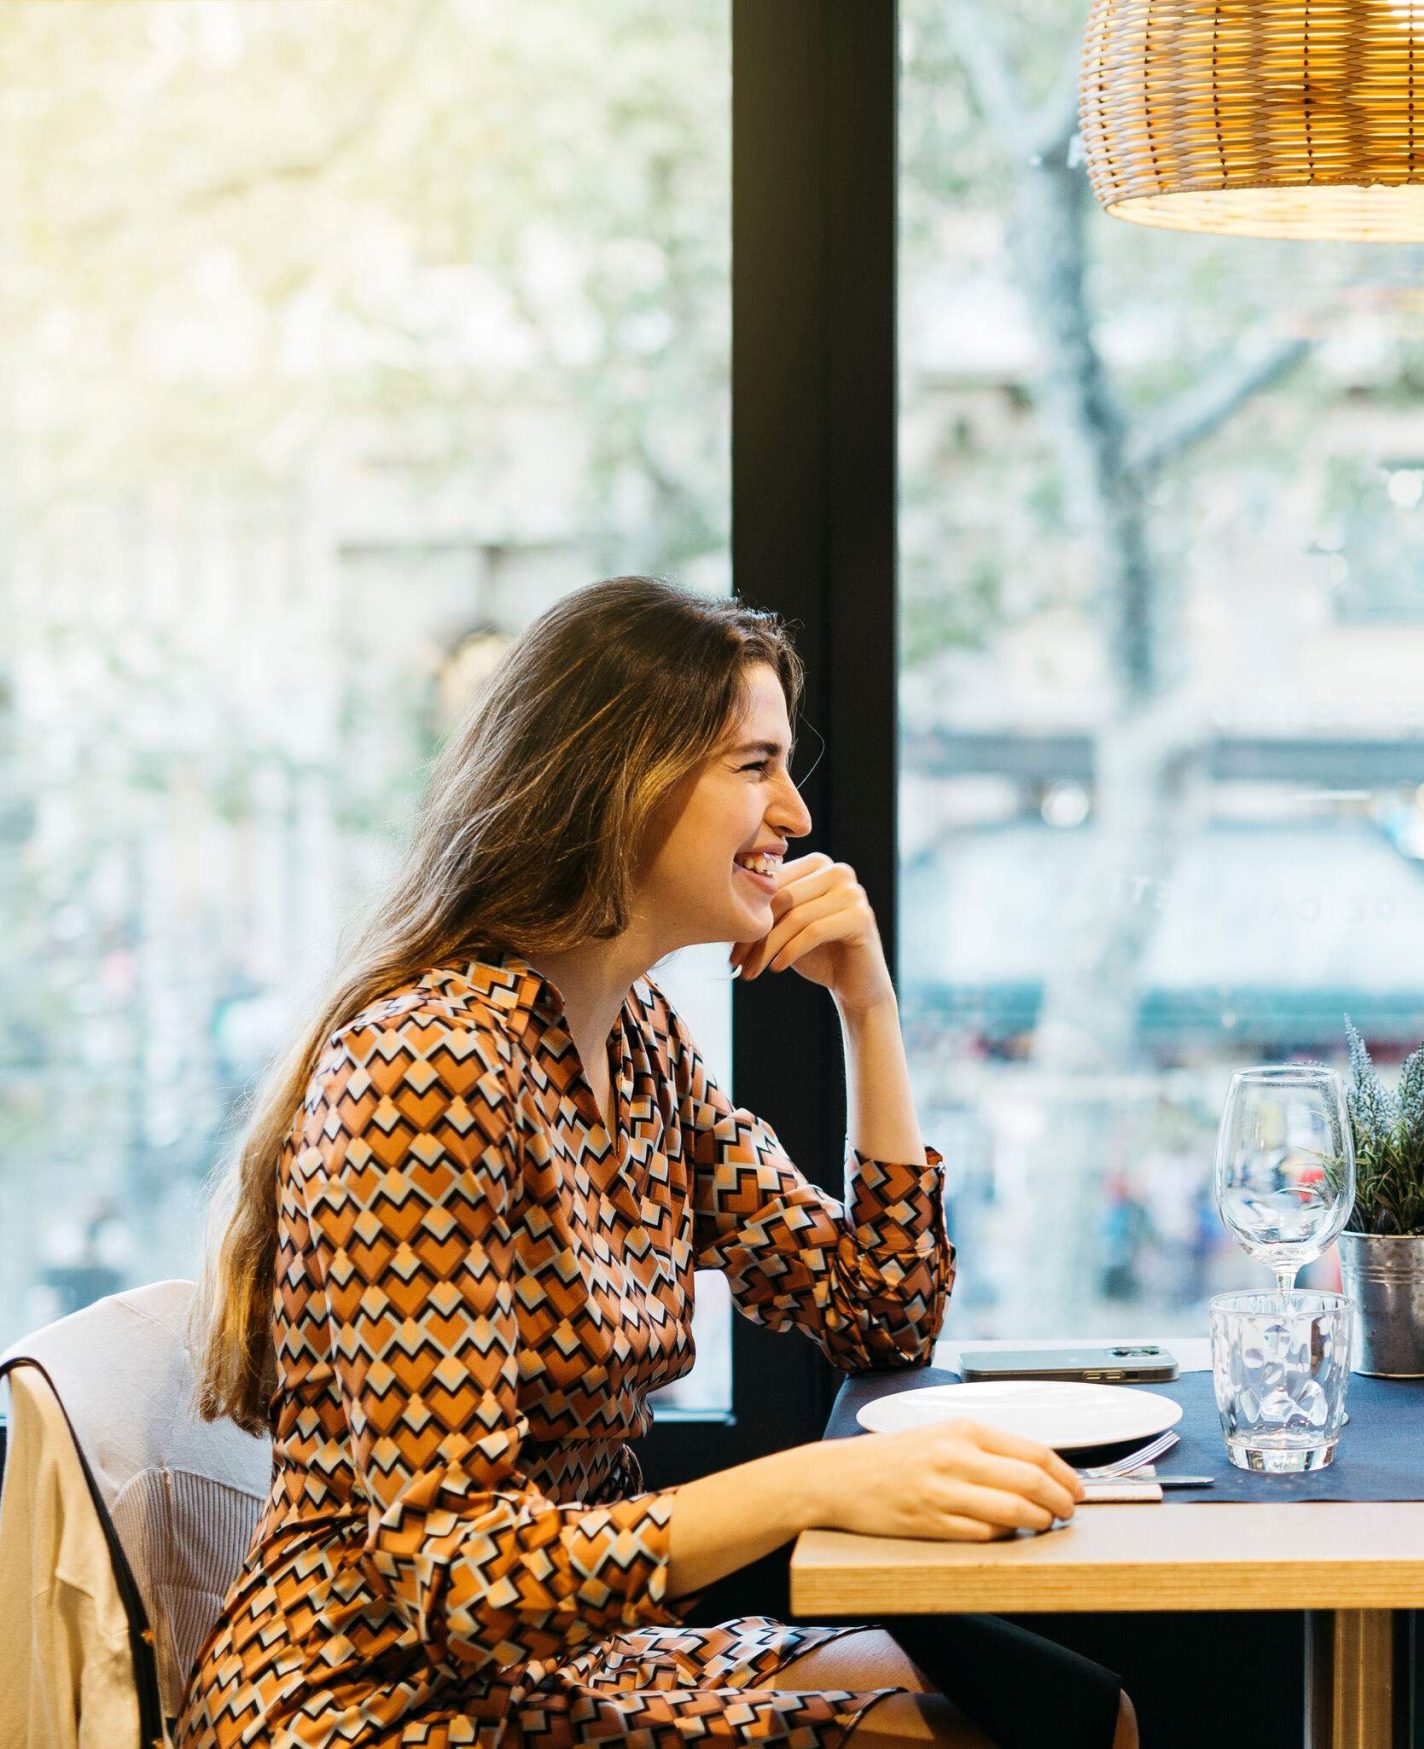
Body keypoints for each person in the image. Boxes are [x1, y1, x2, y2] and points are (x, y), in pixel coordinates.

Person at [180, 578, 1136, 1749]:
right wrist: (815, 1487)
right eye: (753, 765)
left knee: (1074, 1715)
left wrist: (869, 1009)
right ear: (619, 779)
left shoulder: (635, 1045)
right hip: (371, 1697)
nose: (792, 811)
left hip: (556, 1657)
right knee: (990, 1735)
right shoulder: (424, 1068)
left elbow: (881, 1316)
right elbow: (456, 1580)